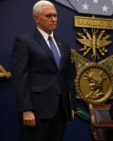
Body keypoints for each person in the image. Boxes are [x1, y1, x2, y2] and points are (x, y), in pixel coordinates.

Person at [11, 1, 76, 141]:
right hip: (36, 111)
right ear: (36, 18)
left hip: (60, 111)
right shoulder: (24, 41)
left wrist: (70, 106)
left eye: (55, 15)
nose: (53, 19)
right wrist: (26, 109)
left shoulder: (63, 44)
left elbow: (68, 77)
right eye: (48, 16)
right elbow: (20, 78)